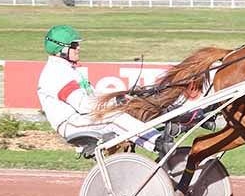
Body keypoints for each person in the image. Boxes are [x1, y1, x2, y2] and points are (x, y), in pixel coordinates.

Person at [37, 25, 185, 156]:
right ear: (61, 49)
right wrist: (116, 102)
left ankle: (175, 126)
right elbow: (83, 105)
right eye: (74, 45)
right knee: (116, 117)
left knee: (134, 107)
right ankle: (159, 144)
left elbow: (94, 97)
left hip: (83, 118)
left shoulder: (70, 70)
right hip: (71, 124)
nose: (78, 48)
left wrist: (121, 96)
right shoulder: (55, 73)